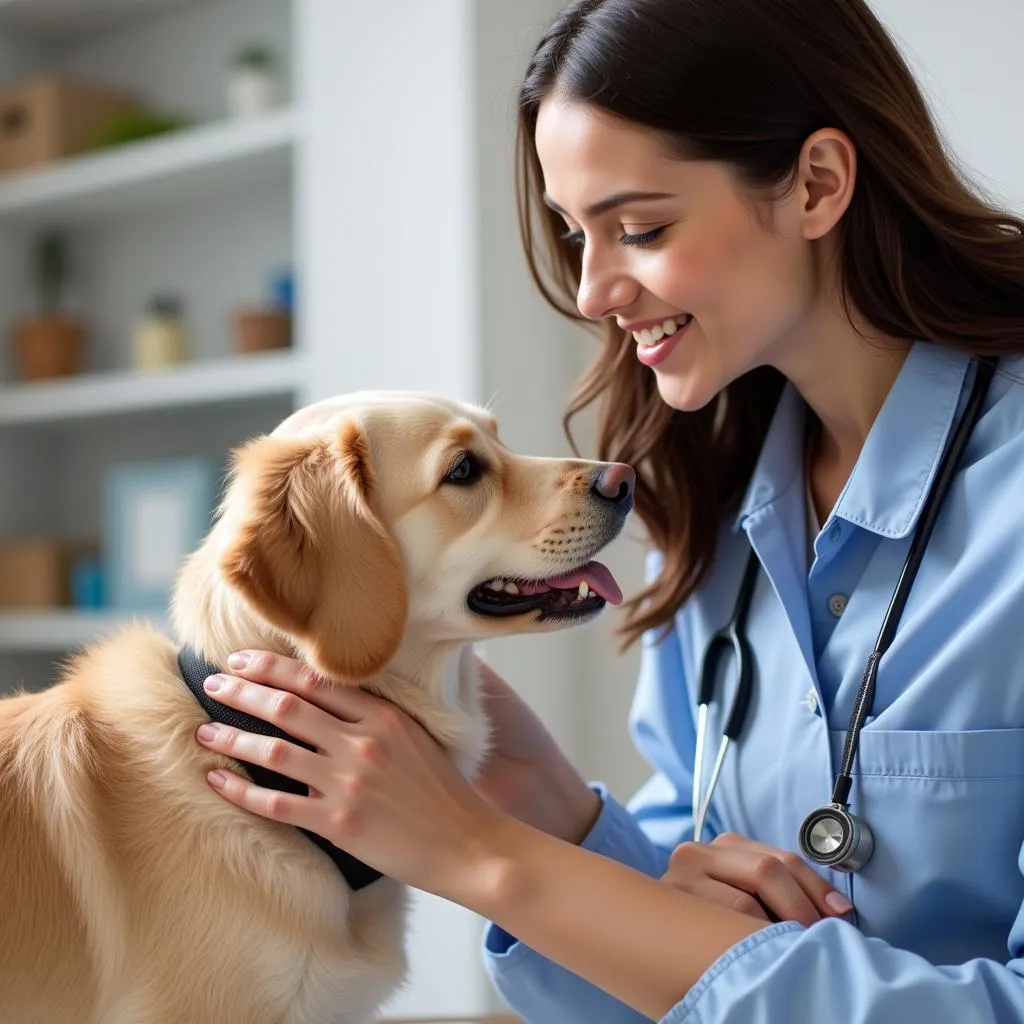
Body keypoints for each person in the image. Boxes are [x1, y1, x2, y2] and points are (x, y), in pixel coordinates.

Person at [192, 0, 1024, 1020]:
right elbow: (678, 954)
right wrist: (554, 809)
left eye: (639, 228)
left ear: (815, 184)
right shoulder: (715, 513)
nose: (590, 291)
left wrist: (482, 852)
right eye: (573, 233)